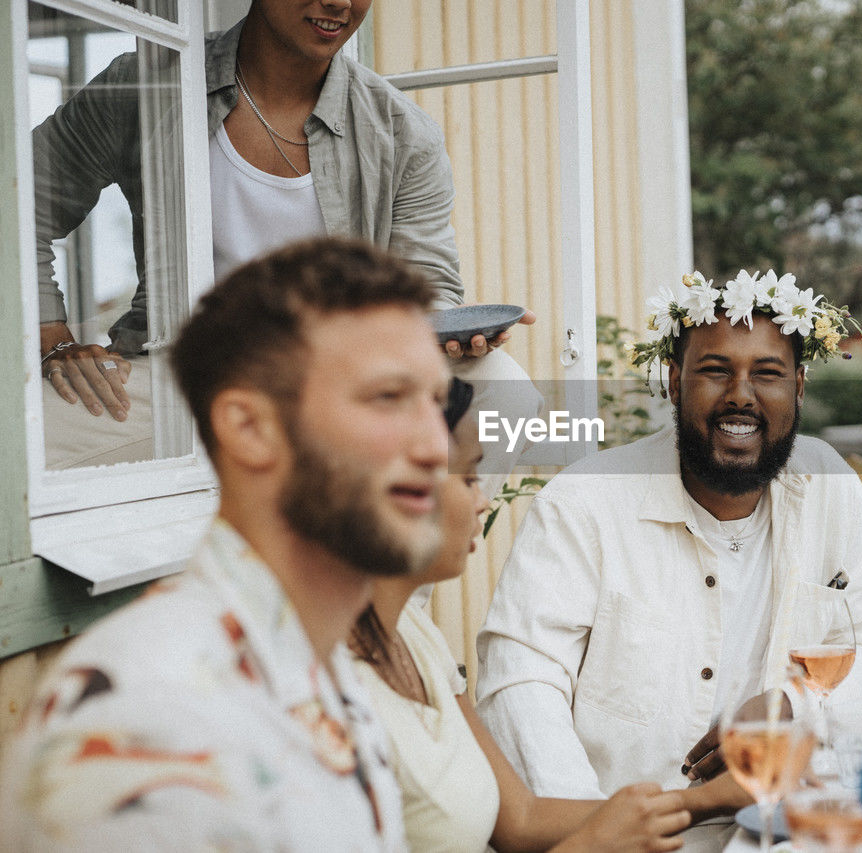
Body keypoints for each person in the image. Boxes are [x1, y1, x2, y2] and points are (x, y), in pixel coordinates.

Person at [0, 238, 452, 849]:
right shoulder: (149, 725)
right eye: (387, 398)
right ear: (248, 429)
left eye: (437, 402)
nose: (435, 448)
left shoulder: (311, 663)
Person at [475, 271, 862, 851]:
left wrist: (789, 705)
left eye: (768, 373)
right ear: (674, 381)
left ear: (799, 386)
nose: (741, 395)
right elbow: (521, 684)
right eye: (715, 369)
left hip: (783, 836)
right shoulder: (583, 504)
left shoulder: (830, 486)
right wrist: (600, 831)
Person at [32, 0, 538, 472]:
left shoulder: (403, 133)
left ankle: (385, 557)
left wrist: (451, 333)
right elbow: (19, 205)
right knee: (24, 434)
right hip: (183, 378)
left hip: (343, 381)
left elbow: (427, 286)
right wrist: (52, 338)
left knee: (505, 394)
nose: (338, 1)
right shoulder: (145, 86)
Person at [350, 378, 695, 852]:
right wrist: (594, 844)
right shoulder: (330, 685)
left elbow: (522, 818)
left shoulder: (412, 634)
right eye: (470, 477)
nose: (483, 500)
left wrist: (717, 800)